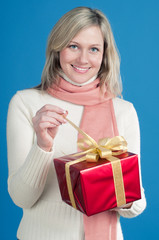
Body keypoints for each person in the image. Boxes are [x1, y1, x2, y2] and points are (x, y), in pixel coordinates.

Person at [7, 6, 146, 240]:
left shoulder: (123, 111)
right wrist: (42, 146)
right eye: (73, 46)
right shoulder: (26, 103)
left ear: (104, 55)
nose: (83, 59)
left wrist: (111, 182)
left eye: (93, 49)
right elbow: (22, 198)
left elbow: (136, 207)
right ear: (58, 47)